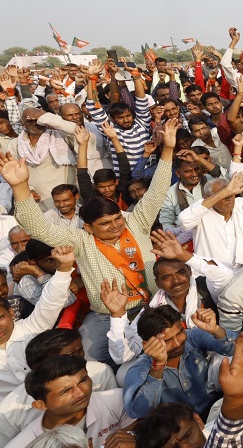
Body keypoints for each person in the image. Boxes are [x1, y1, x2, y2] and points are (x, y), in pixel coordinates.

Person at [4, 119, 181, 364]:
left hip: (153, 306)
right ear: (88, 227)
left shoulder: (137, 221)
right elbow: (38, 228)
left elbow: (158, 190)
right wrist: (20, 186)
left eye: (117, 218)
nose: (116, 225)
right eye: (105, 224)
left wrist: (168, 150)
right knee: (89, 360)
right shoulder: (80, 240)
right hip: (105, 315)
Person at [0, 328, 117, 448]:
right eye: (65, 390)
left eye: (80, 351)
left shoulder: (102, 374)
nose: (80, 393)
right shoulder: (8, 412)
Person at [3, 355, 136, 448]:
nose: (80, 392)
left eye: (83, 380)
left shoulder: (117, 400)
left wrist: (134, 440)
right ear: (41, 405)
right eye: (66, 390)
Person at [123, 305, 237, 418]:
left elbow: (237, 349)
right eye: (167, 341)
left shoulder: (192, 337)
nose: (177, 343)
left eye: (179, 333)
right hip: (181, 428)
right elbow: (136, 412)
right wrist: (158, 366)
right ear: (146, 345)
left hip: (215, 407)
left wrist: (216, 330)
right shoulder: (139, 370)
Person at [0, 246, 74, 401]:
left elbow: (50, 302)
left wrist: (64, 269)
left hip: (61, 399)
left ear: (11, 312)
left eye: (0, 318)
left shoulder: (32, 328)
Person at [178, 173, 243, 272]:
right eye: (223, 195)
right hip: (210, 274)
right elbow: (184, 221)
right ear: (208, 198)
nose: (229, 199)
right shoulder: (201, 211)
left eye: (231, 194)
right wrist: (226, 191)